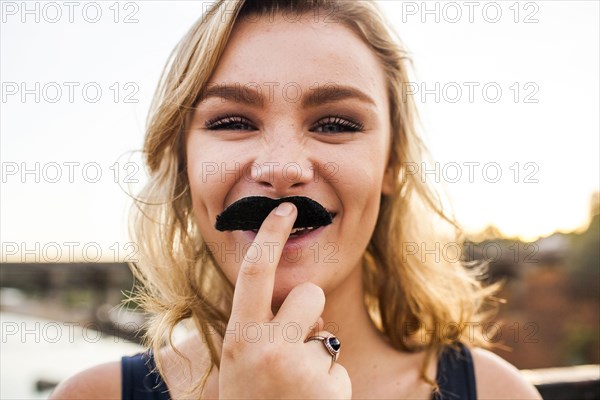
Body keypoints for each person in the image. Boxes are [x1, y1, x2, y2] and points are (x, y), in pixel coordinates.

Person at [51, 0, 542, 398]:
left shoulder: (501, 393)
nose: (282, 168)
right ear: (183, 163)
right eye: (233, 122)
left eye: (335, 124)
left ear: (391, 165)